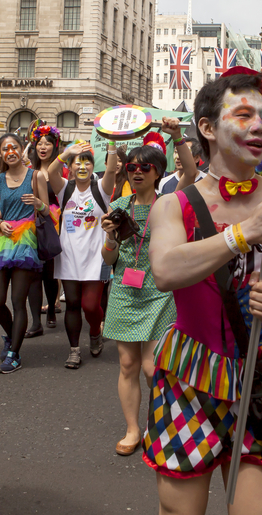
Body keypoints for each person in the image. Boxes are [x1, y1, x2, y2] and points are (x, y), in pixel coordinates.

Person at [145, 68, 262, 514]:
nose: (259, 127)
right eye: (244, 114)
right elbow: (165, 271)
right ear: (207, 128)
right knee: (178, 511)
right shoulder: (175, 204)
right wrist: (243, 234)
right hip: (188, 379)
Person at [100, 133, 181, 455]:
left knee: (152, 367)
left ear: (158, 172)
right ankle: (133, 429)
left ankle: (157, 421)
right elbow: (109, 260)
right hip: (124, 289)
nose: (137, 172)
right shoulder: (119, 206)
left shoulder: (168, 206)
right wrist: (110, 238)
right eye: (132, 167)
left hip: (160, 290)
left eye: (145, 167)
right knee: (127, 364)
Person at [0, 133, 51, 373]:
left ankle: (14, 354)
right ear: (0, 153)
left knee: (18, 302)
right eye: (5, 148)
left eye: (14, 147)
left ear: (22, 150)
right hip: (2, 240)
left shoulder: (36, 176)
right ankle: (12, 335)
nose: (10, 152)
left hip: (26, 242)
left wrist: (39, 205)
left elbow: (48, 212)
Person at [46, 139, 117, 367]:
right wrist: (67, 152)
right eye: (78, 163)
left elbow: (111, 171)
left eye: (87, 162)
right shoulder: (65, 188)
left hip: (96, 257)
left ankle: (95, 332)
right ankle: (74, 350)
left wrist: (112, 147)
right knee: (73, 303)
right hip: (68, 256)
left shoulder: (101, 189)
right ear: (71, 167)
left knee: (90, 305)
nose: (83, 167)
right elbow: (51, 170)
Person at [26, 123, 63, 336]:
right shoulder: (27, 171)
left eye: (48, 143)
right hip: (29, 223)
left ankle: (51, 309)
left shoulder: (59, 172)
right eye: (39, 143)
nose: (43, 147)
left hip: (52, 222)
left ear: (54, 147)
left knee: (50, 272)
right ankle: (35, 320)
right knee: (32, 272)